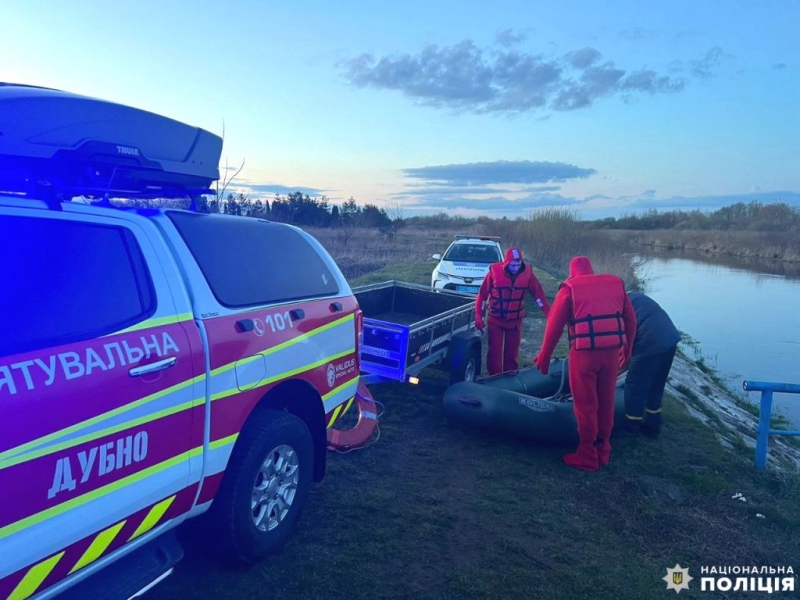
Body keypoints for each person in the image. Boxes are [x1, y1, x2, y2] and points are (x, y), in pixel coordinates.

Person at [532, 256, 637, 471]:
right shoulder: (615, 284)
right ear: (592, 270)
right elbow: (631, 320)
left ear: (572, 273)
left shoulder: (569, 289)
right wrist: (628, 348)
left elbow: (554, 326)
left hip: (584, 356)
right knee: (606, 401)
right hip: (610, 355)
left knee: (586, 405)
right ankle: (604, 449)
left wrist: (544, 355)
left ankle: (587, 454)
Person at [475, 247, 550, 375]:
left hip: (515, 322)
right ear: (506, 263)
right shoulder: (494, 273)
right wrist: (479, 316)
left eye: (518, 265)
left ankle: (510, 376)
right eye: (513, 265)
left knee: (512, 352)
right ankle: (495, 377)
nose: (516, 268)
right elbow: (482, 296)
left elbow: (539, 296)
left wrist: (549, 314)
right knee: (495, 352)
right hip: (495, 320)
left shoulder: (528, 274)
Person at [619, 292, 681, 437]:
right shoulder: (637, 297)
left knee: (634, 385)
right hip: (670, 339)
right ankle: (653, 424)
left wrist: (622, 365)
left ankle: (631, 426)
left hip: (648, 342)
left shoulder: (618, 307)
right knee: (656, 384)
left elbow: (624, 340)